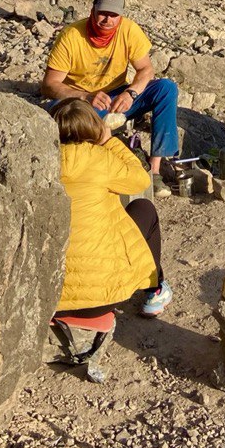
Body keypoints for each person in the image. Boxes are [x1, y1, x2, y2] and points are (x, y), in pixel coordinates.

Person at [52, 97, 173, 318]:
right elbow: (140, 180)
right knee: (144, 208)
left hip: (49, 298)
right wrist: (111, 142)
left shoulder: (41, 160)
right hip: (101, 300)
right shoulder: (99, 158)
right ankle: (155, 291)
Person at [41, 0, 178, 178]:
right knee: (60, 113)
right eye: (102, 13)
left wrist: (131, 93)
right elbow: (49, 85)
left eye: (113, 15)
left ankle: (154, 169)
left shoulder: (129, 30)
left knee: (166, 88)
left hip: (117, 98)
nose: (107, 20)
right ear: (92, 11)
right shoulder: (71, 36)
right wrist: (85, 96)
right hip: (82, 102)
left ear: (120, 16)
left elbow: (146, 69)